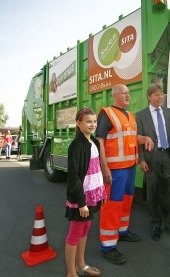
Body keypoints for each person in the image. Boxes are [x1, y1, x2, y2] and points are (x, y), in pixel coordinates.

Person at [96, 84, 153, 265]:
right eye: (124, 93)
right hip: (114, 170)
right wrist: (104, 168)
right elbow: (99, 142)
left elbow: (130, 137)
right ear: (115, 96)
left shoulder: (130, 115)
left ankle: (121, 231)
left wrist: (144, 139)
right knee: (112, 205)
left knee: (126, 201)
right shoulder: (107, 113)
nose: (128, 95)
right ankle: (108, 246)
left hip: (129, 168)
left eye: (129, 93)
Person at [136, 83, 170, 242]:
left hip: (167, 157)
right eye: (156, 94)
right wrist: (141, 159)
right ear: (149, 97)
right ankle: (155, 223)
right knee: (152, 192)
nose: (160, 97)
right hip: (150, 159)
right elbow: (138, 140)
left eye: (161, 94)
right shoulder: (141, 115)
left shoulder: (169, 113)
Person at [65, 108, 106, 277]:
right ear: (78, 123)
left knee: (86, 227)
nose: (92, 124)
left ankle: (81, 264)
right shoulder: (76, 145)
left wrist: (100, 194)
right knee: (75, 232)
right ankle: (71, 273)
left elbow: (96, 171)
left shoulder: (95, 142)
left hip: (92, 195)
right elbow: (74, 177)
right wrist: (81, 202)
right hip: (80, 197)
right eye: (88, 121)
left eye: (94, 121)